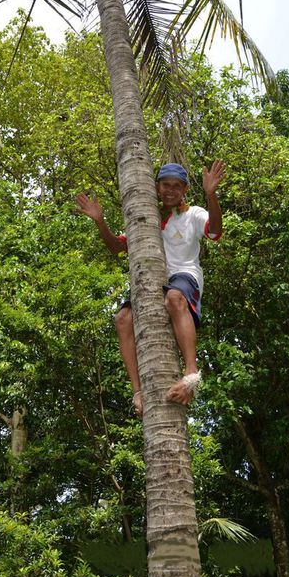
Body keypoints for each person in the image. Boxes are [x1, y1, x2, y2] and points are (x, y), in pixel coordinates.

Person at [76, 160, 225, 416]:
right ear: (156, 187)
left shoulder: (193, 213)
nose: (170, 190)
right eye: (165, 185)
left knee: (175, 298)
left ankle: (191, 373)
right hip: (153, 280)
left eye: (176, 186)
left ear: (185, 189)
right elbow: (117, 247)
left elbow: (215, 231)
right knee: (123, 319)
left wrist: (211, 194)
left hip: (184, 276)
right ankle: (138, 392)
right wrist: (100, 221)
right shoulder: (148, 218)